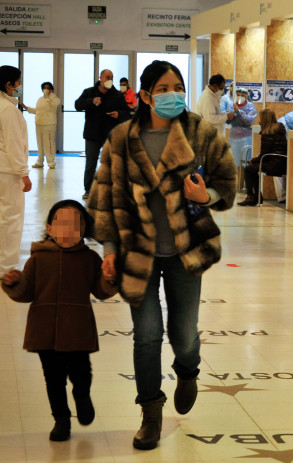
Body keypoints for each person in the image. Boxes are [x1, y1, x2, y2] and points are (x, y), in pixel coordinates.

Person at [88, 60, 237, 450]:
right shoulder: (120, 137)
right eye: (165, 87)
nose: (173, 94)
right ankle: (150, 413)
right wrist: (108, 249)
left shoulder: (200, 132)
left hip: (185, 249)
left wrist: (208, 196)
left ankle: (188, 371)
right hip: (137, 252)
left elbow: (226, 180)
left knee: (184, 334)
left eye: (178, 86)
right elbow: (103, 197)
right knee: (147, 335)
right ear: (147, 94)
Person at [1, 200, 118, 442]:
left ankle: (82, 396)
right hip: (44, 330)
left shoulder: (90, 259)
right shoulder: (38, 259)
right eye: (61, 225)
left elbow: (100, 290)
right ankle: (61, 419)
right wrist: (14, 283)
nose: (67, 231)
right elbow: (27, 292)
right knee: (53, 378)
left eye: (75, 226)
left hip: (77, 329)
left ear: (84, 231)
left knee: (82, 372)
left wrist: (109, 278)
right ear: (50, 229)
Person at [74, 69, 130, 200]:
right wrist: (91, 101)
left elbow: (127, 112)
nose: (109, 79)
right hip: (92, 134)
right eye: (107, 77)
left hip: (110, 135)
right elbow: (77, 105)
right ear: (100, 78)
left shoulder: (117, 95)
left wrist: (119, 114)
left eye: (111, 77)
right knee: (91, 163)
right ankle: (88, 190)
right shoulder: (89, 92)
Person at [0, 65, 32, 275]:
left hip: (3, 168)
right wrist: (24, 174)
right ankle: (7, 267)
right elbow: (13, 145)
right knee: (11, 218)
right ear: (8, 84)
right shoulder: (8, 110)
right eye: (18, 83)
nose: (19, 86)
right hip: (8, 171)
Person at [237, 109, 287, 206]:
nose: (259, 121)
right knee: (253, 168)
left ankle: (252, 196)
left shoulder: (267, 132)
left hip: (274, 163)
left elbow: (264, 153)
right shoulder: (280, 128)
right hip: (281, 161)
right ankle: (256, 196)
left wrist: (253, 159)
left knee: (248, 169)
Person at [24, 81, 60, 169]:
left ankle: (51, 162)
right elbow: (37, 111)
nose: (46, 90)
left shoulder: (54, 99)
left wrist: (51, 95)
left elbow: (56, 104)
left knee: (49, 144)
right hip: (39, 124)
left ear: (51, 89)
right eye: (44, 88)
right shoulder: (40, 99)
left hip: (49, 125)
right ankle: (40, 161)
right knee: (40, 144)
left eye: (48, 88)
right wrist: (26, 108)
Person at [228, 87, 258, 168]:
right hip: (233, 138)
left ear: (245, 96)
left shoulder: (250, 107)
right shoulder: (232, 106)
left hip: (246, 138)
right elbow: (228, 120)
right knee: (233, 163)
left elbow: (249, 121)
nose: (239, 97)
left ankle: (244, 180)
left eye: (242, 95)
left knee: (245, 162)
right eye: (238, 95)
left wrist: (239, 112)